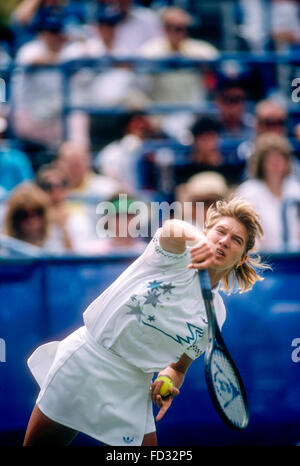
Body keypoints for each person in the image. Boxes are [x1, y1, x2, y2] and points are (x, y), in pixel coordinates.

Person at [23, 197, 269, 446]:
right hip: (85, 362)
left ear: (241, 259)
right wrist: (196, 239)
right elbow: (174, 227)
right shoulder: (174, 256)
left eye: (236, 240)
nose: (224, 241)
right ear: (206, 232)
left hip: (133, 386)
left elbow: (178, 366)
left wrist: (167, 379)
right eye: (220, 231)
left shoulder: (216, 313)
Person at [235, 133, 300, 250]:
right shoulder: (248, 191)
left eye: (280, 158)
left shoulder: (295, 189)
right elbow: (244, 231)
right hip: (263, 259)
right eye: (270, 159)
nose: (276, 163)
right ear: (261, 163)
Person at [35, 163, 96, 254]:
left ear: (67, 189)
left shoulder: (80, 220)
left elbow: (79, 259)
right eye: (48, 186)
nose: (56, 191)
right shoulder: (30, 220)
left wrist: (63, 228)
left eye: (61, 185)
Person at [2, 182, 59, 251]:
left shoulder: (55, 242)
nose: (31, 220)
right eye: (24, 214)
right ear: (14, 219)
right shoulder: (4, 248)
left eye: (37, 212)